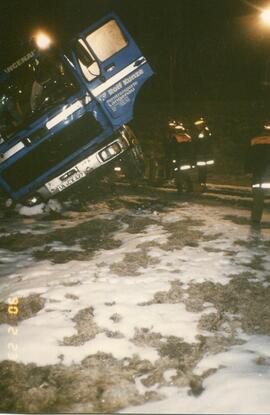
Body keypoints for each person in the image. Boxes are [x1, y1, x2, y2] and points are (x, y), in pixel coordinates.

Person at [245, 121, 270, 225]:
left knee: (258, 200)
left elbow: (249, 158)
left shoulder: (254, 141)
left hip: (258, 176)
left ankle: (255, 220)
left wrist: (248, 170)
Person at [171, 122, 195, 194]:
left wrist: (173, 158)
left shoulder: (175, 138)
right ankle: (190, 187)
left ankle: (180, 189)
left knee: (177, 174)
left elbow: (173, 149)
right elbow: (191, 149)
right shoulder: (188, 137)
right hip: (186, 159)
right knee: (186, 173)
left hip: (178, 159)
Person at [193, 117, 214, 190]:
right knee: (202, 168)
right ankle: (201, 181)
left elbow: (200, 143)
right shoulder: (205, 131)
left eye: (198, 125)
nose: (197, 127)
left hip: (202, 153)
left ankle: (201, 181)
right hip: (204, 153)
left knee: (202, 168)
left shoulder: (203, 132)